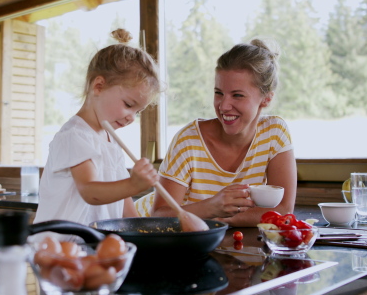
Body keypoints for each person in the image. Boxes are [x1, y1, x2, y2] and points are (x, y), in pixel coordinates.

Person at [135, 38, 296, 227]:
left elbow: (283, 210)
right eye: (219, 93)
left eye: (237, 95)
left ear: (266, 99)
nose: (224, 106)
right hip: (146, 230)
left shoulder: (274, 133)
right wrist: (212, 207)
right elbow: (159, 215)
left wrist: (220, 218)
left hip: (209, 234)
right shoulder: (188, 140)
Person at [33, 29, 161, 225]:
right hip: (61, 247)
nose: (132, 118)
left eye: (138, 111)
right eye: (128, 104)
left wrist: (143, 232)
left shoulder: (111, 141)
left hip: (95, 247)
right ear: (98, 86)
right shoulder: (74, 135)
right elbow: (90, 191)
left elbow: (125, 203)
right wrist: (133, 184)